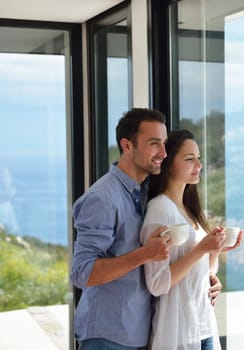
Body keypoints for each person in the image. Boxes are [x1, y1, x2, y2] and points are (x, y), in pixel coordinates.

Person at [70, 108, 174, 350]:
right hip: (106, 337)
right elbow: (82, 273)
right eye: (154, 143)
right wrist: (146, 253)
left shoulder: (146, 191)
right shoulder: (102, 198)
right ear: (127, 146)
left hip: (136, 333)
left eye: (165, 144)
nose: (163, 153)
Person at [140, 129, 242, 350]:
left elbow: (200, 272)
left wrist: (215, 250)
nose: (199, 165)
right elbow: (157, 284)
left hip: (203, 326)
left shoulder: (189, 209)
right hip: (179, 334)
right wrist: (201, 249)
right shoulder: (160, 210)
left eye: (199, 158)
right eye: (189, 159)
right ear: (169, 164)